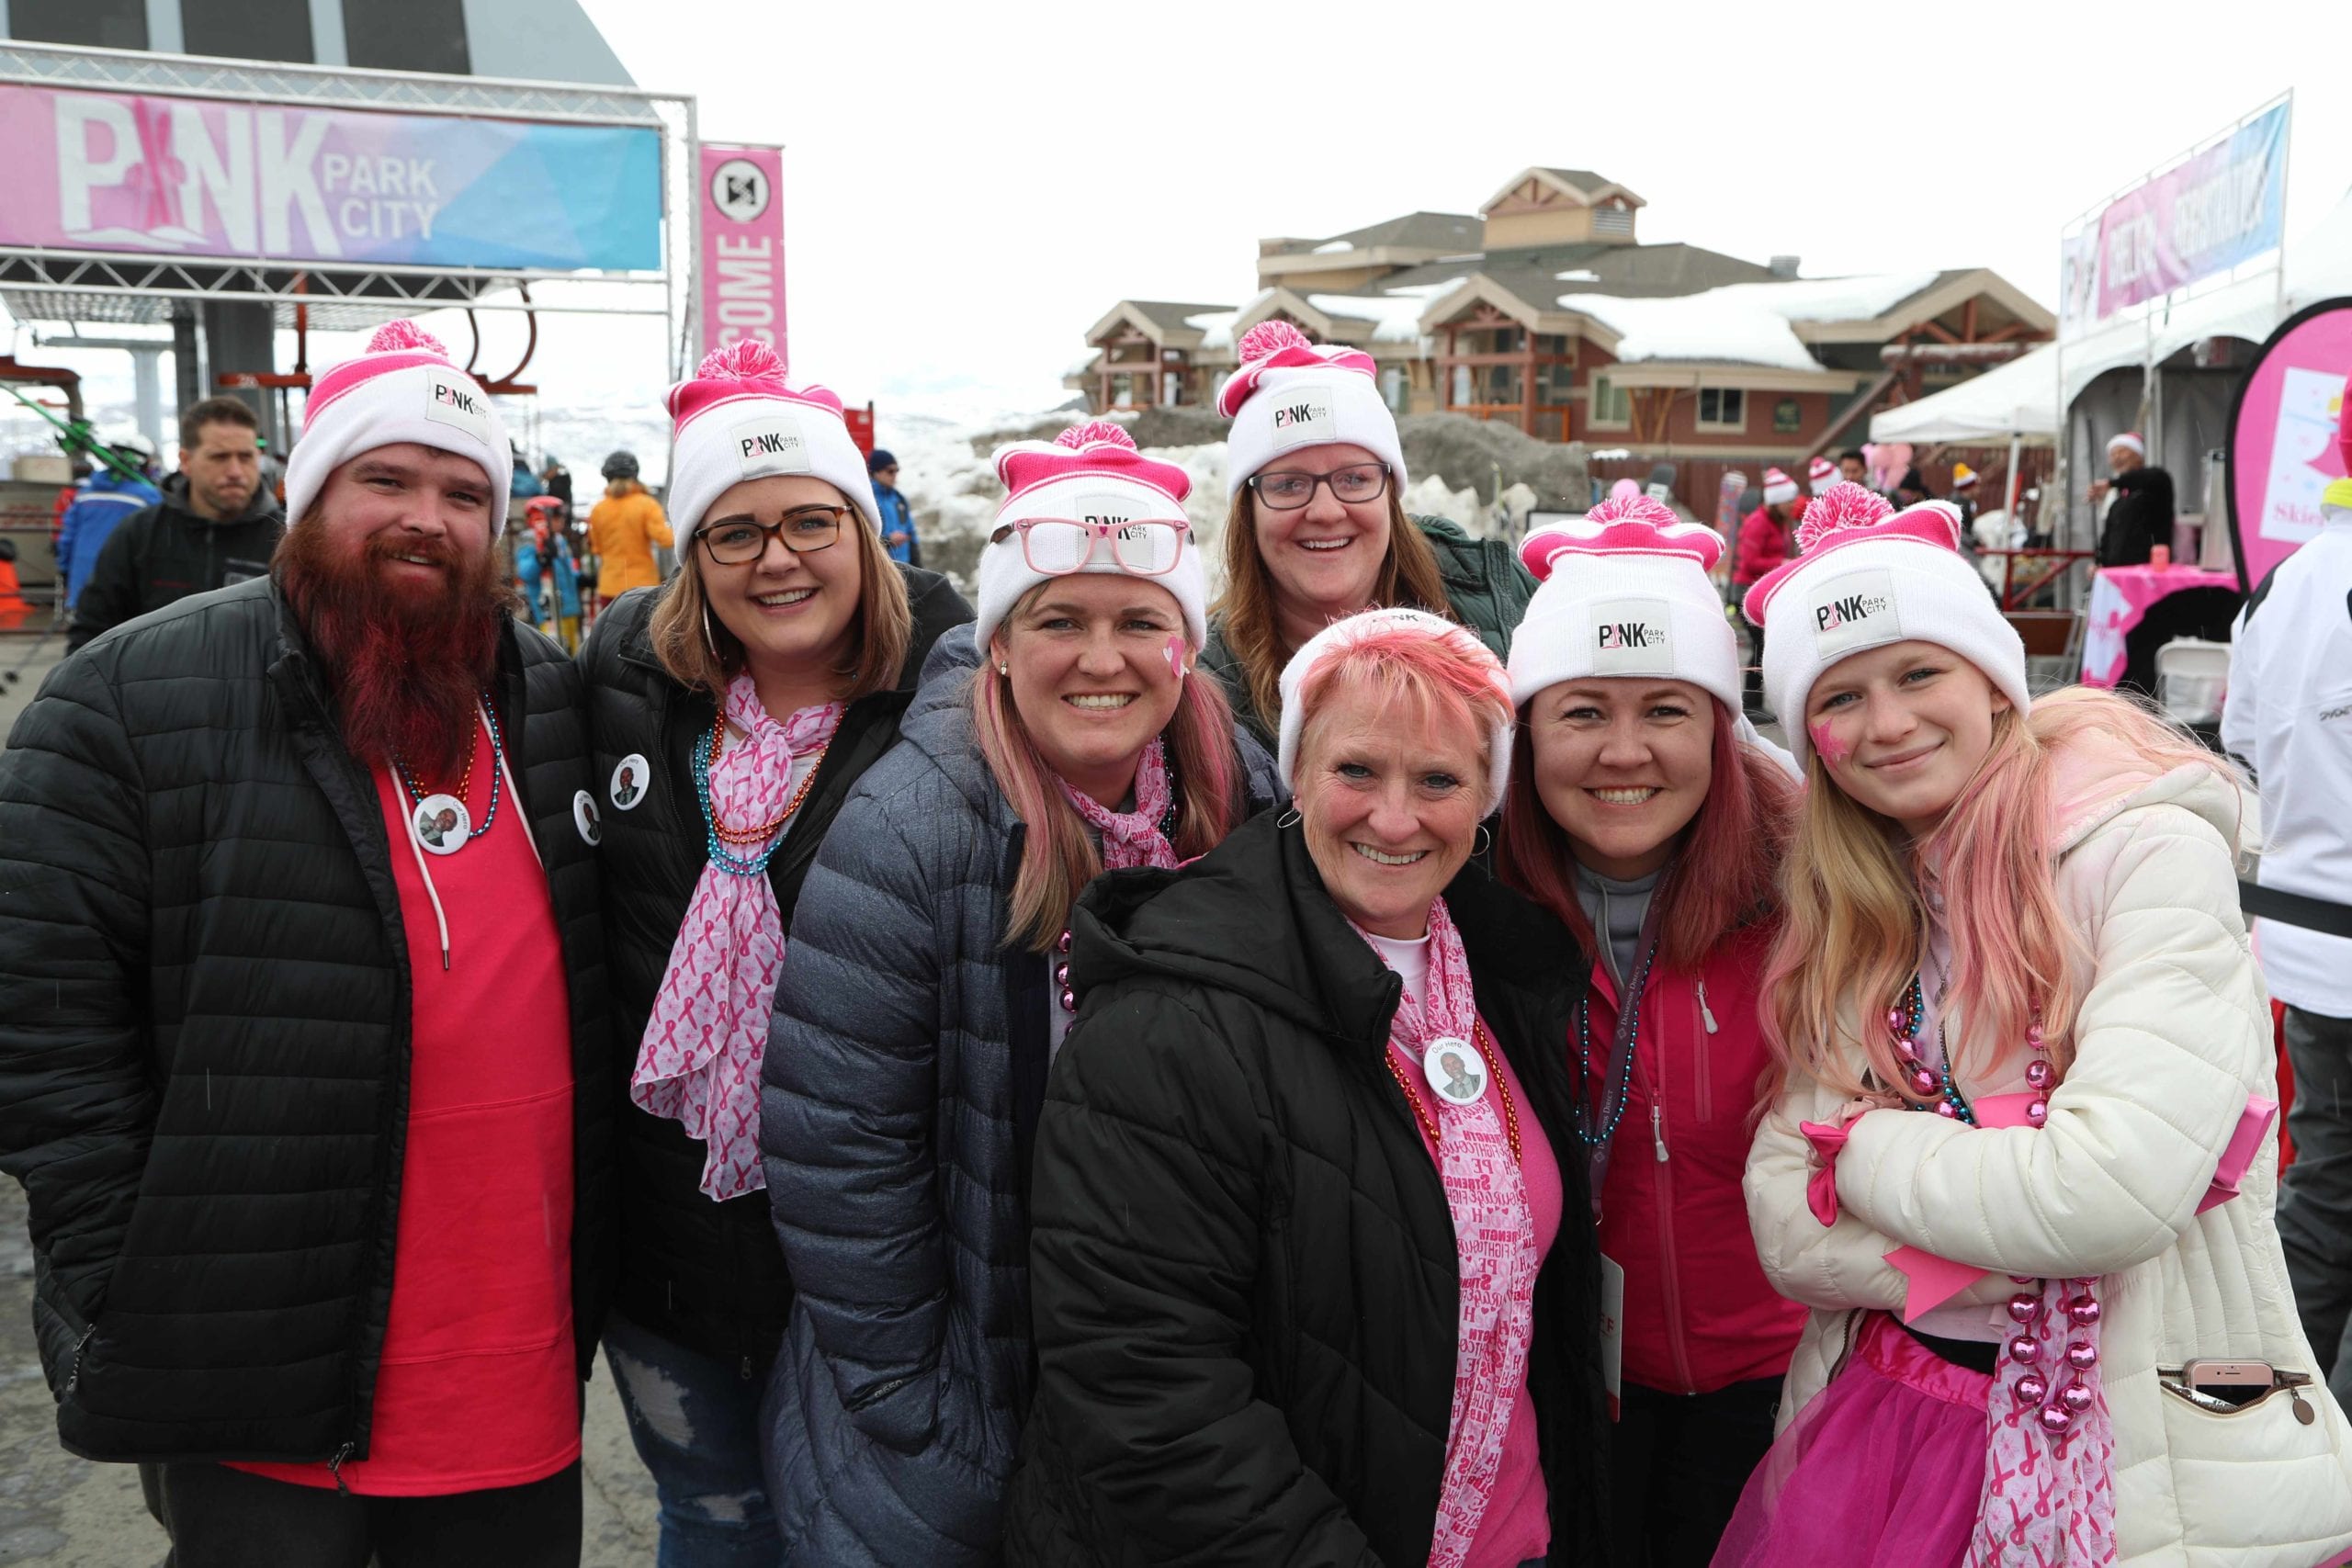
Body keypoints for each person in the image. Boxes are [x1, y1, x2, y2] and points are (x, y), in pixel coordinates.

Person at [0, 321, 614, 1566]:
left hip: (518, 1373)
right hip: (252, 1364)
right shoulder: (127, 696)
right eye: (384, 478)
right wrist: (132, 1264)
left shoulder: (549, 698)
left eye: (463, 492)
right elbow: (40, 1017)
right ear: (308, 488)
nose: (425, 518)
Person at [1719, 486, 2352, 1565]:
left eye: (1919, 673)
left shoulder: (2144, 855)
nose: (1888, 723)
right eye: (1839, 697)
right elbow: (1782, 1219)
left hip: (2147, 1442)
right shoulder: (1855, 903)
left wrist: (1864, 1150)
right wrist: (1971, 1255)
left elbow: (2102, 1193)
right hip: (1893, 1424)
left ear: (1993, 678)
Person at [760, 420, 1280, 1565]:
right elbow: (841, 1156)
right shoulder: (914, 828)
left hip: (1182, 1384)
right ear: (998, 642)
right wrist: (929, 1419)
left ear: (1185, 643)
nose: (1102, 659)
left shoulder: (1242, 795)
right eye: (1059, 621)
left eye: (1141, 620)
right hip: (971, 1411)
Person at [1005, 606, 1607, 1567]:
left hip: (1510, 1535)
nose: (1395, 816)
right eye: (1356, 770)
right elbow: (1146, 1391)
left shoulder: (1497, 970)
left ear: (1485, 800)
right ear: (1294, 774)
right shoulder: (1175, 1019)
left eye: (1440, 780)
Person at [580, 339, 972, 1565]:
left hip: (879, 1256)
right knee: (712, 1516)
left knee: (871, 1535)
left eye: (811, 518)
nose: (778, 557)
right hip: (670, 1250)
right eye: (734, 532)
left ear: (864, 530)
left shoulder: (959, 704)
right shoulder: (625, 689)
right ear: (692, 556)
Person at [1495, 494, 1804, 1568]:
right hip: (1558, 1385)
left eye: (1666, 710)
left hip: (1783, 1381)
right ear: (1525, 727)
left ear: (1719, 727)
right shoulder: (1464, 916)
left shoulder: (1813, 893)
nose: (1623, 753)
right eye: (1582, 710)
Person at [1200, 320, 1535, 751]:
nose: (1325, 512)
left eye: (1355, 479)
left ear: (1390, 494)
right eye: (1288, 484)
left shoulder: (1498, 594)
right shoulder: (1208, 688)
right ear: (1249, 510)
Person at [2224, 381, 2352, 1414]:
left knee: (2322, 1194)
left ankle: (2285, 1431)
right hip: (2323, 935)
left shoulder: (2288, 582)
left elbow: (2239, 744)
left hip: (2308, 948)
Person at [68, 396, 283, 649]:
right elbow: (93, 632)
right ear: (186, 461)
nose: (235, 471)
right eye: (219, 457)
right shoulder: (139, 535)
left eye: (245, 457)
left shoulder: (285, 542)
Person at [53, 431, 162, 610]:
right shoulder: (149, 496)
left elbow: (67, 538)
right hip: (128, 588)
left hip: (83, 583)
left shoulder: (86, 493)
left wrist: (65, 569)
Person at [1732, 468, 1800, 716]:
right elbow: (1749, 561)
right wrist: (1781, 563)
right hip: (1746, 593)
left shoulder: (1780, 521)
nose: (1793, 505)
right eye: (1789, 500)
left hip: (1764, 593)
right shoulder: (1758, 522)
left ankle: (1754, 703)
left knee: (1763, 646)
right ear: (1775, 501)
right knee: (1760, 646)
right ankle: (1751, 704)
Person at [589, 450, 675, 603]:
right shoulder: (647, 504)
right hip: (643, 586)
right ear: (635, 474)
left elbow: (597, 548)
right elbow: (665, 539)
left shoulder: (598, 510)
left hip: (609, 588)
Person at [2091, 431, 2176, 568]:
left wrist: (2111, 483)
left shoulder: (2157, 483)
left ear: (2139, 457)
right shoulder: (2117, 501)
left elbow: (2151, 477)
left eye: (2122, 452)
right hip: (2117, 574)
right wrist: (2099, 562)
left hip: (2146, 570)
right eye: (2113, 454)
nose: (2117, 457)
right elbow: (2107, 538)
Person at [867, 446, 920, 567]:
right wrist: (888, 541)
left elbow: (911, 535)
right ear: (876, 472)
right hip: (880, 569)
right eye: (890, 471)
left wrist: (918, 570)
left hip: (905, 569)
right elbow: (862, 538)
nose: (895, 475)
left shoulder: (899, 499)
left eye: (897, 471)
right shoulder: (867, 500)